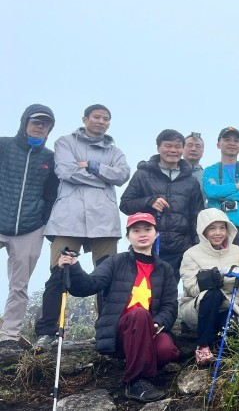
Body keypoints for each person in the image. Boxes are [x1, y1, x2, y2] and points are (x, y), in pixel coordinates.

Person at [53, 212, 179, 402]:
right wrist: (74, 267)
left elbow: (170, 305)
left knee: (167, 350)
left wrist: (158, 323)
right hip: (119, 331)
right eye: (136, 230)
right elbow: (88, 286)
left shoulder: (165, 269)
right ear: (128, 236)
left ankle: (140, 365)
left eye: (148, 229)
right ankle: (135, 382)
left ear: (156, 234)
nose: (142, 234)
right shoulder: (115, 261)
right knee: (139, 314)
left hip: (149, 330)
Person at [34, 104, 131, 351]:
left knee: (108, 275)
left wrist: (92, 166)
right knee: (58, 273)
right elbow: (66, 171)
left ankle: (107, 330)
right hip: (68, 217)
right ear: (85, 119)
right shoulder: (65, 142)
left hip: (105, 220)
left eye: (106, 118)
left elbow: (122, 175)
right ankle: (47, 332)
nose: (101, 121)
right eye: (96, 117)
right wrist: (103, 178)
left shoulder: (115, 150)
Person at [0, 105, 59, 353]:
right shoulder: (3, 146)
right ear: (25, 122)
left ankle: (9, 336)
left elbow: (52, 194)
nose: (40, 127)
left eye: (45, 124)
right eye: (36, 122)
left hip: (30, 227)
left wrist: (44, 220)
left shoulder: (50, 158)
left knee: (19, 285)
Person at [120, 129, 205, 279]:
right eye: (168, 146)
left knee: (171, 291)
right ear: (158, 148)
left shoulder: (191, 180)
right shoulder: (143, 175)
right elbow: (125, 205)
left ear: (182, 149)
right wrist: (149, 201)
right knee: (144, 290)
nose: (173, 150)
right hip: (148, 247)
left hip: (180, 249)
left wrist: (196, 246)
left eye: (177, 146)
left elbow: (196, 216)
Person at [179, 208, 239, 365]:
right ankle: (203, 346)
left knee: (231, 335)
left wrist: (236, 305)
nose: (218, 233)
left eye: (222, 228)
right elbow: (191, 288)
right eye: (212, 228)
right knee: (213, 294)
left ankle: (217, 346)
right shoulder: (191, 254)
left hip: (229, 306)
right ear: (203, 231)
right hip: (198, 307)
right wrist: (217, 275)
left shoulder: (238, 251)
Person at [203, 127, 239, 249]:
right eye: (227, 139)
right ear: (218, 144)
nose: (232, 143)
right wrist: (238, 186)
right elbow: (211, 191)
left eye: (236, 140)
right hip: (220, 230)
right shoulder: (209, 170)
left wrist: (221, 194)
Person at [183, 132, 206, 203]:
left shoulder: (207, 176)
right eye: (189, 145)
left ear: (203, 151)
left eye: (198, 146)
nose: (193, 149)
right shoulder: (172, 172)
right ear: (182, 148)